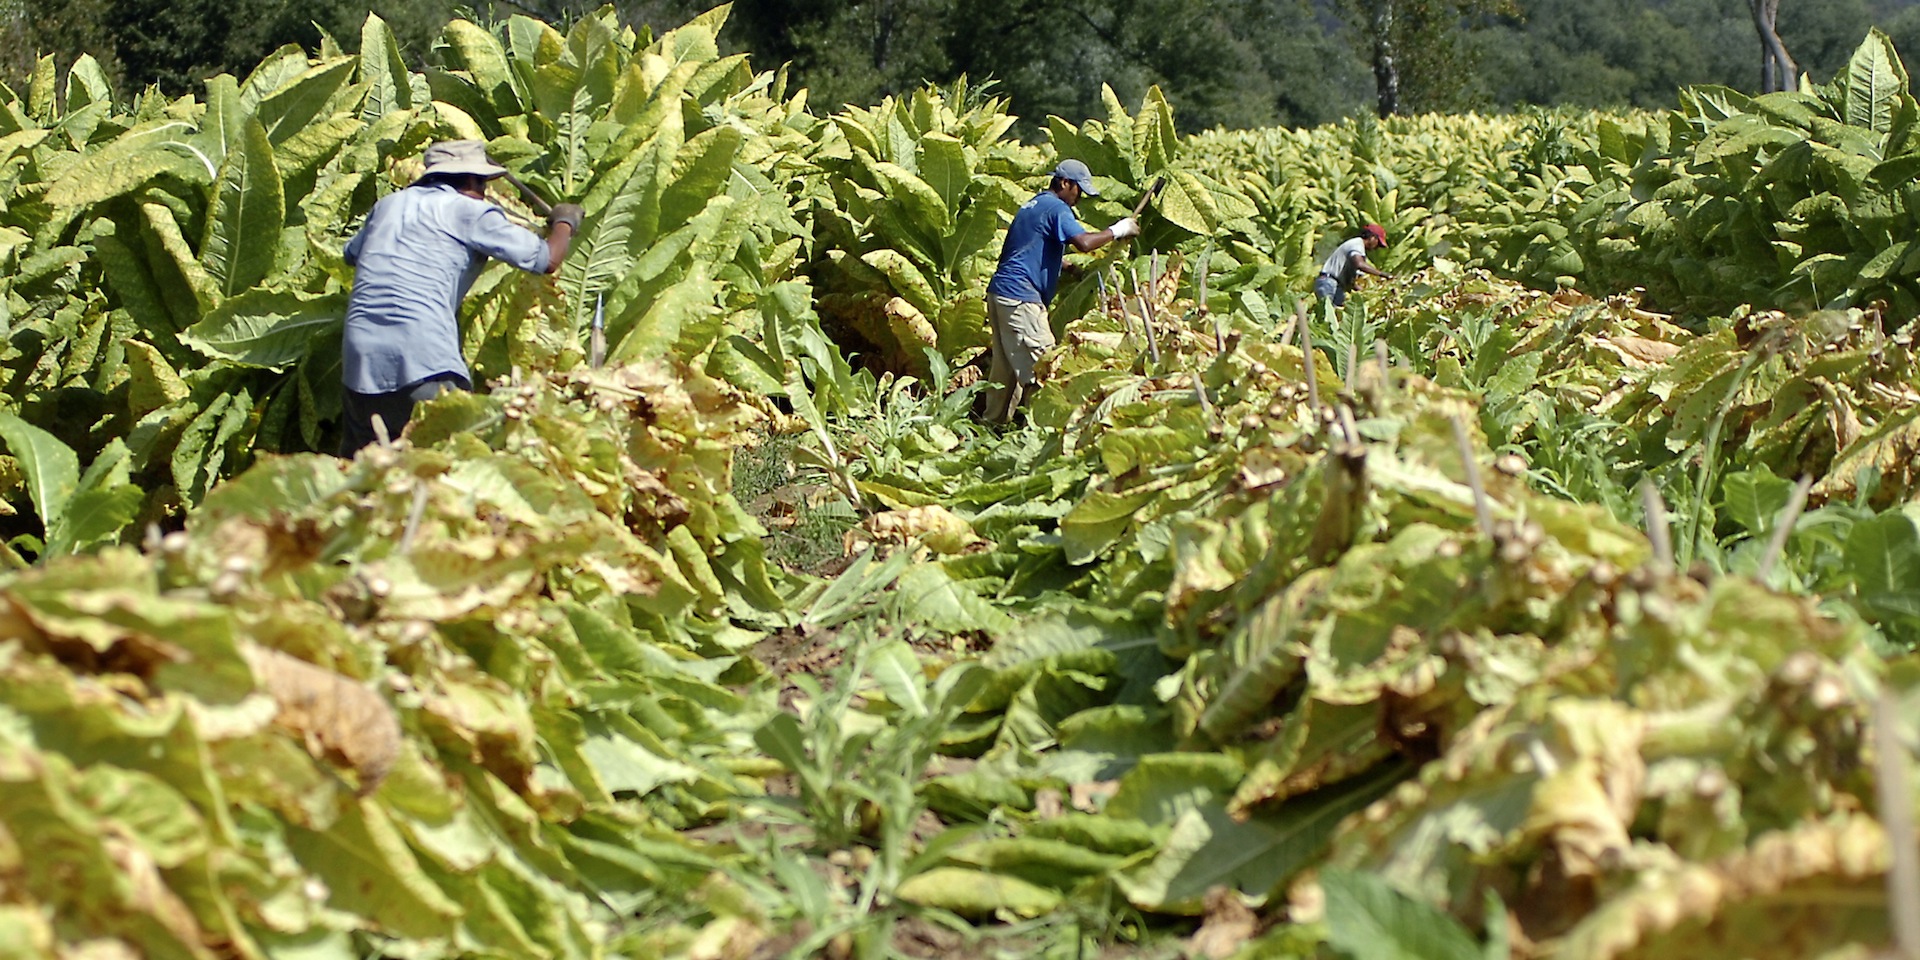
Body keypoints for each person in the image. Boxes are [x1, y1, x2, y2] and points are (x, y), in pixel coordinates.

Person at [338, 140, 583, 455]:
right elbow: (546, 260)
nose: (483, 193)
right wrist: (565, 223)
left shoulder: (388, 205)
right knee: (451, 465)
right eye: (482, 185)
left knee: (366, 473)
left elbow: (351, 254)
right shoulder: (471, 211)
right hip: (423, 358)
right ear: (470, 181)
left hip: (361, 360)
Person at [981, 159, 1140, 423]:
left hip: (1001, 293)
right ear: (1065, 184)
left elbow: (1025, 248)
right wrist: (1118, 229)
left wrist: (1066, 267)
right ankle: (1044, 429)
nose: (1078, 198)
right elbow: (1084, 243)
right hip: (1021, 298)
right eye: (1078, 190)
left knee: (1006, 371)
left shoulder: (1032, 205)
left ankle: (990, 429)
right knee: (1047, 368)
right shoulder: (1057, 208)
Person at [1313, 223, 1394, 307]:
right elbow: (1359, 264)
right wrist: (1382, 274)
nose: (1377, 247)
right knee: (1327, 315)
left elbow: (1349, 273)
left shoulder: (1357, 246)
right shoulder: (1357, 244)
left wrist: (1355, 287)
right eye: (1378, 243)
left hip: (1336, 285)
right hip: (1328, 283)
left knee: (1338, 314)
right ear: (1372, 237)